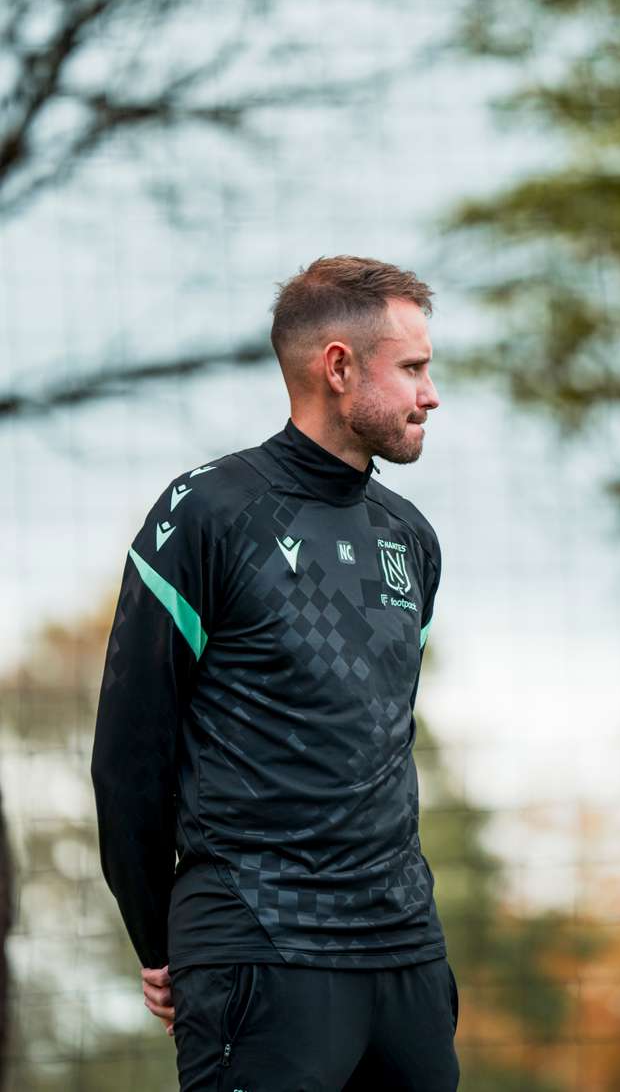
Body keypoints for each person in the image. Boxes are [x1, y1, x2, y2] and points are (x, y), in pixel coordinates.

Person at [91, 255, 459, 1091]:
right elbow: (128, 756)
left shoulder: (413, 538)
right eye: (413, 369)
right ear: (338, 367)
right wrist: (161, 941)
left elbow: (380, 742)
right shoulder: (209, 514)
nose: (430, 394)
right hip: (258, 950)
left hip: (407, 959)